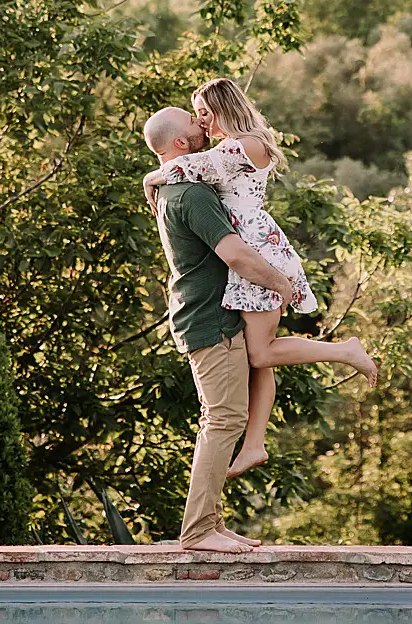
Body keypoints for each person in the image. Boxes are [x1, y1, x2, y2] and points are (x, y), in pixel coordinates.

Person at [144, 78, 377, 480]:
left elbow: (188, 168)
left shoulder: (243, 145)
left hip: (258, 254)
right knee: (261, 355)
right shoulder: (237, 145)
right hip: (251, 252)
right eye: (196, 116)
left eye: (204, 113)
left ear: (222, 109)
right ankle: (254, 444)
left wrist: (152, 178)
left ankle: (346, 352)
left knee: (261, 353)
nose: (201, 123)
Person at [142, 104, 292, 553]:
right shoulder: (191, 192)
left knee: (222, 418)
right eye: (192, 121)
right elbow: (235, 254)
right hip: (210, 319)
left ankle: (212, 523)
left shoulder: (176, 188)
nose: (200, 121)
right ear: (181, 144)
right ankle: (198, 530)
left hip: (203, 313)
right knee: (223, 420)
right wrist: (281, 282)